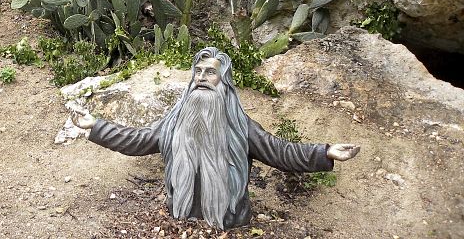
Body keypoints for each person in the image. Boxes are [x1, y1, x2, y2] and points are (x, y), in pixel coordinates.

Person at [70, 46, 360, 230]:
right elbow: (139, 139)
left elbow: (279, 151)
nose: (201, 77)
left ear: (225, 82)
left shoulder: (239, 125)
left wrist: (325, 153)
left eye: (210, 73)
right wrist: (96, 125)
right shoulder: (174, 121)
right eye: (197, 72)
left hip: (230, 220)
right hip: (180, 216)